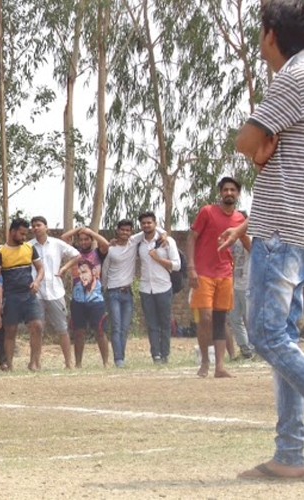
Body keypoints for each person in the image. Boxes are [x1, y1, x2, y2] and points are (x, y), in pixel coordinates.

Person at [223, 0, 304, 479]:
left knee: (267, 334)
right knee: (287, 336)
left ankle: (293, 452)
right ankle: (293, 455)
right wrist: (260, 159)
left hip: (283, 233)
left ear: (271, 34)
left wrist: (255, 154)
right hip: (292, 226)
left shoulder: (293, 77)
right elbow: (270, 155)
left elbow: (247, 139)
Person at [187, 177, 248, 378]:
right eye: (225, 189)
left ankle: (219, 367)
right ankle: (205, 361)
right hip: (203, 273)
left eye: (233, 190)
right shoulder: (207, 212)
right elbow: (191, 238)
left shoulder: (240, 219)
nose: (229, 193)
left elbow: (249, 244)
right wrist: (192, 268)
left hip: (225, 274)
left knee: (221, 320)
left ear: (238, 194)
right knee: (205, 318)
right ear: (220, 192)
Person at [0, 218, 45, 371]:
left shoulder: (29, 248)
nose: (24, 237)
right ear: (12, 232)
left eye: (25, 234)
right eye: (21, 234)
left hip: (29, 295)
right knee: (10, 330)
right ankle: (9, 364)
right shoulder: (0, 253)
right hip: (11, 296)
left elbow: (41, 269)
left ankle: (34, 363)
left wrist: (37, 282)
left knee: (37, 326)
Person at [29, 216, 78, 369]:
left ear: (46, 227)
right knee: (36, 328)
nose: (36, 228)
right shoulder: (28, 246)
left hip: (56, 291)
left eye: (39, 225)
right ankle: (35, 362)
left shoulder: (57, 244)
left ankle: (68, 363)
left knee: (62, 328)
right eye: (33, 226)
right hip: (36, 293)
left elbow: (76, 255)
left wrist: (64, 268)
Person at [60, 226, 110, 368]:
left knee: (100, 331)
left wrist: (91, 231)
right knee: (78, 333)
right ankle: (78, 363)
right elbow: (64, 238)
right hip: (78, 301)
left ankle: (106, 362)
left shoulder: (98, 253)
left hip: (96, 300)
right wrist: (78, 230)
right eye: (81, 240)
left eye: (86, 239)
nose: (83, 242)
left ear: (91, 240)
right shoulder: (74, 254)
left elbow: (106, 244)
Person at [136, 212, 180, 364]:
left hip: (163, 287)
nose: (147, 225)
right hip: (145, 288)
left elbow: (177, 265)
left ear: (155, 223)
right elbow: (126, 240)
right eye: (144, 223)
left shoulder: (167, 241)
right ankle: (156, 355)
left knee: (165, 323)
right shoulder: (139, 242)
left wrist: (158, 259)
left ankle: (165, 354)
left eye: (149, 222)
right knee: (151, 323)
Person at [101, 219, 142, 368]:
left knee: (124, 328)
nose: (125, 233)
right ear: (117, 231)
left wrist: (164, 237)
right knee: (116, 327)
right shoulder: (111, 249)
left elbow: (153, 230)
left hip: (128, 293)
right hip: (113, 292)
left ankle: (121, 358)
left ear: (131, 232)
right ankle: (118, 359)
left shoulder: (133, 243)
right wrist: (105, 288)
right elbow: (104, 271)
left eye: (128, 230)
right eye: (122, 230)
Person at [228, 236, 254, 360]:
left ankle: (255, 348)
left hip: (248, 283)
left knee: (250, 318)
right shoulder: (234, 240)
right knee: (234, 317)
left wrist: (240, 234)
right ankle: (245, 348)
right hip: (236, 283)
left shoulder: (250, 238)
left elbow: (251, 250)